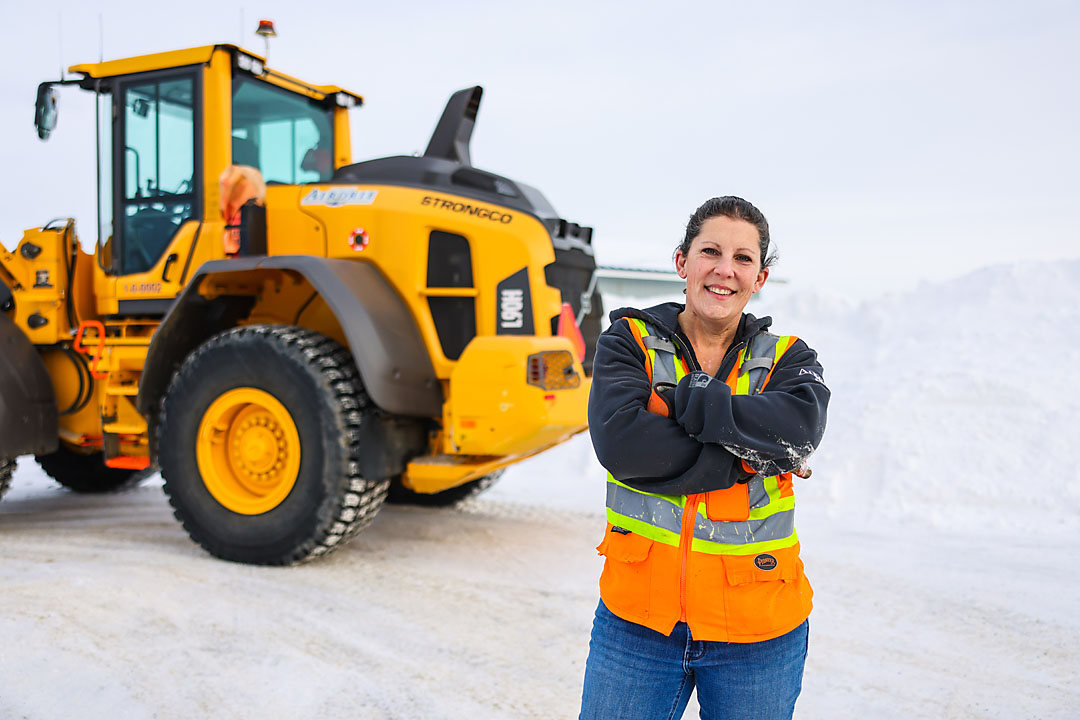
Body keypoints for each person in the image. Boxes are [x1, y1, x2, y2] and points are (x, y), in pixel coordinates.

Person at [579, 196, 830, 720]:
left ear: (760, 277)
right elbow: (624, 446)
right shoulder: (630, 341)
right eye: (710, 251)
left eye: (743, 258)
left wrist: (688, 403)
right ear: (682, 262)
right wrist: (751, 458)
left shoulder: (788, 358)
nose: (725, 269)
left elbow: (799, 431)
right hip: (638, 625)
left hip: (759, 629)